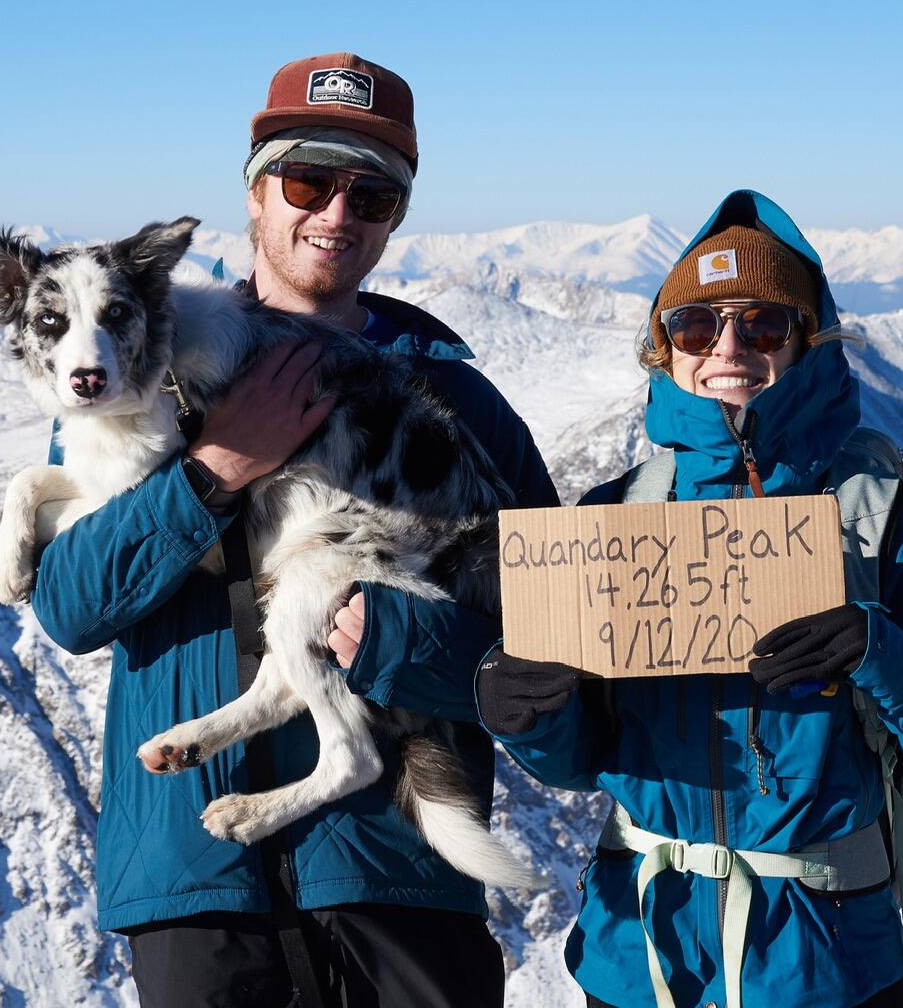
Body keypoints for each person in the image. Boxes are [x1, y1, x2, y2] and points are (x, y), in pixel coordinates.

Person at [28, 52, 560, 1007]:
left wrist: (401, 643)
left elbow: (548, 624)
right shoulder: (129, 373)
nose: (337, 215)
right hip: (196, 882)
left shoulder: (457, 400)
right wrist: (216, 466)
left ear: (395, 218)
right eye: (309, 181)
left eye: (373, 196)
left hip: (395, 878)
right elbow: (69, 604)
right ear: (256, 195)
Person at [476, 189, 903, 1008]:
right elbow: (585, 756)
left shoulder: (882, 521)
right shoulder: (614, 516)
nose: (728, 345)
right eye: (698, 326)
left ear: (807, 342)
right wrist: (523, 708)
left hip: (825, 965)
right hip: (644, 956)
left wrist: (878, 650)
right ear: (665, 349)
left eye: (763, 324)